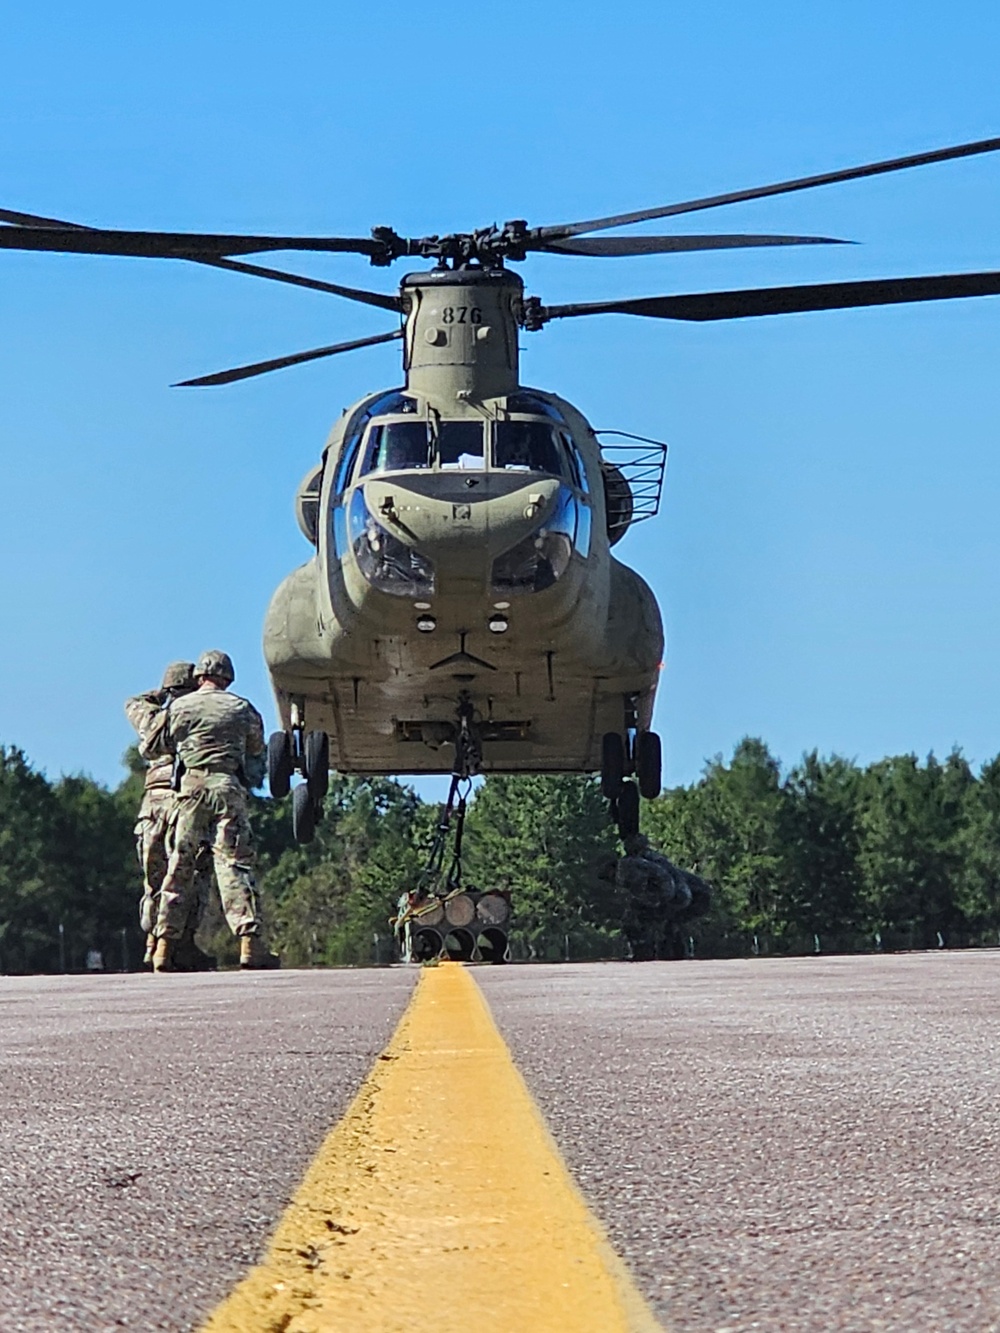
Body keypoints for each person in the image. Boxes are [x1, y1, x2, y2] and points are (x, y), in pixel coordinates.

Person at [150, 650, 278, 972]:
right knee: (233, 865)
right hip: (227, 787)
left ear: (198, 678)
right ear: (227, 678)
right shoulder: (241, 707)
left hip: (190, 790)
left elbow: (152, 746)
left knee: (180, 864)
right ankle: (249, 944)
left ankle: (163, 946)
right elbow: (256, 748)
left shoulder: (181, 707)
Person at [124, 662, 216, 971]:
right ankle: (181, 943)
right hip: (183, 800)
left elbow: (133, 702)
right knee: (190, 874)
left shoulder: (152, 717)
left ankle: (153, 943)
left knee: (155, 879)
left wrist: (162, 694)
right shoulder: (195, 714)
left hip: (152, 805)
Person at [612, 833, 712, 961]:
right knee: (668, 924)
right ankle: (669, 950)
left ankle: (650, 949)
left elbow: (666, 880)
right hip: (689, 893)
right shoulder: (651, 858)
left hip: (685, 894)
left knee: (650, 921)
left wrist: (656, 902)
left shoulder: (636, 862)